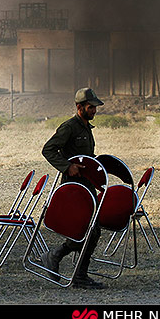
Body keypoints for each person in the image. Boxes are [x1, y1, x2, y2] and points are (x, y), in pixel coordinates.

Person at [40, 87, 106, 289]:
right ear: (79, 107)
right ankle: (59, 259)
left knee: (92, 231)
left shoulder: (86, 127)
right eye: (90, 107)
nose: (94, 110)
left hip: (87, 186)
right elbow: (48, 150)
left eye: (95, 107)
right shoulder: (69, 127)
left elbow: (86, 157)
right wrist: (67, 166)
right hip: (73, 188)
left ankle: (72, 269)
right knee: (87, 230)